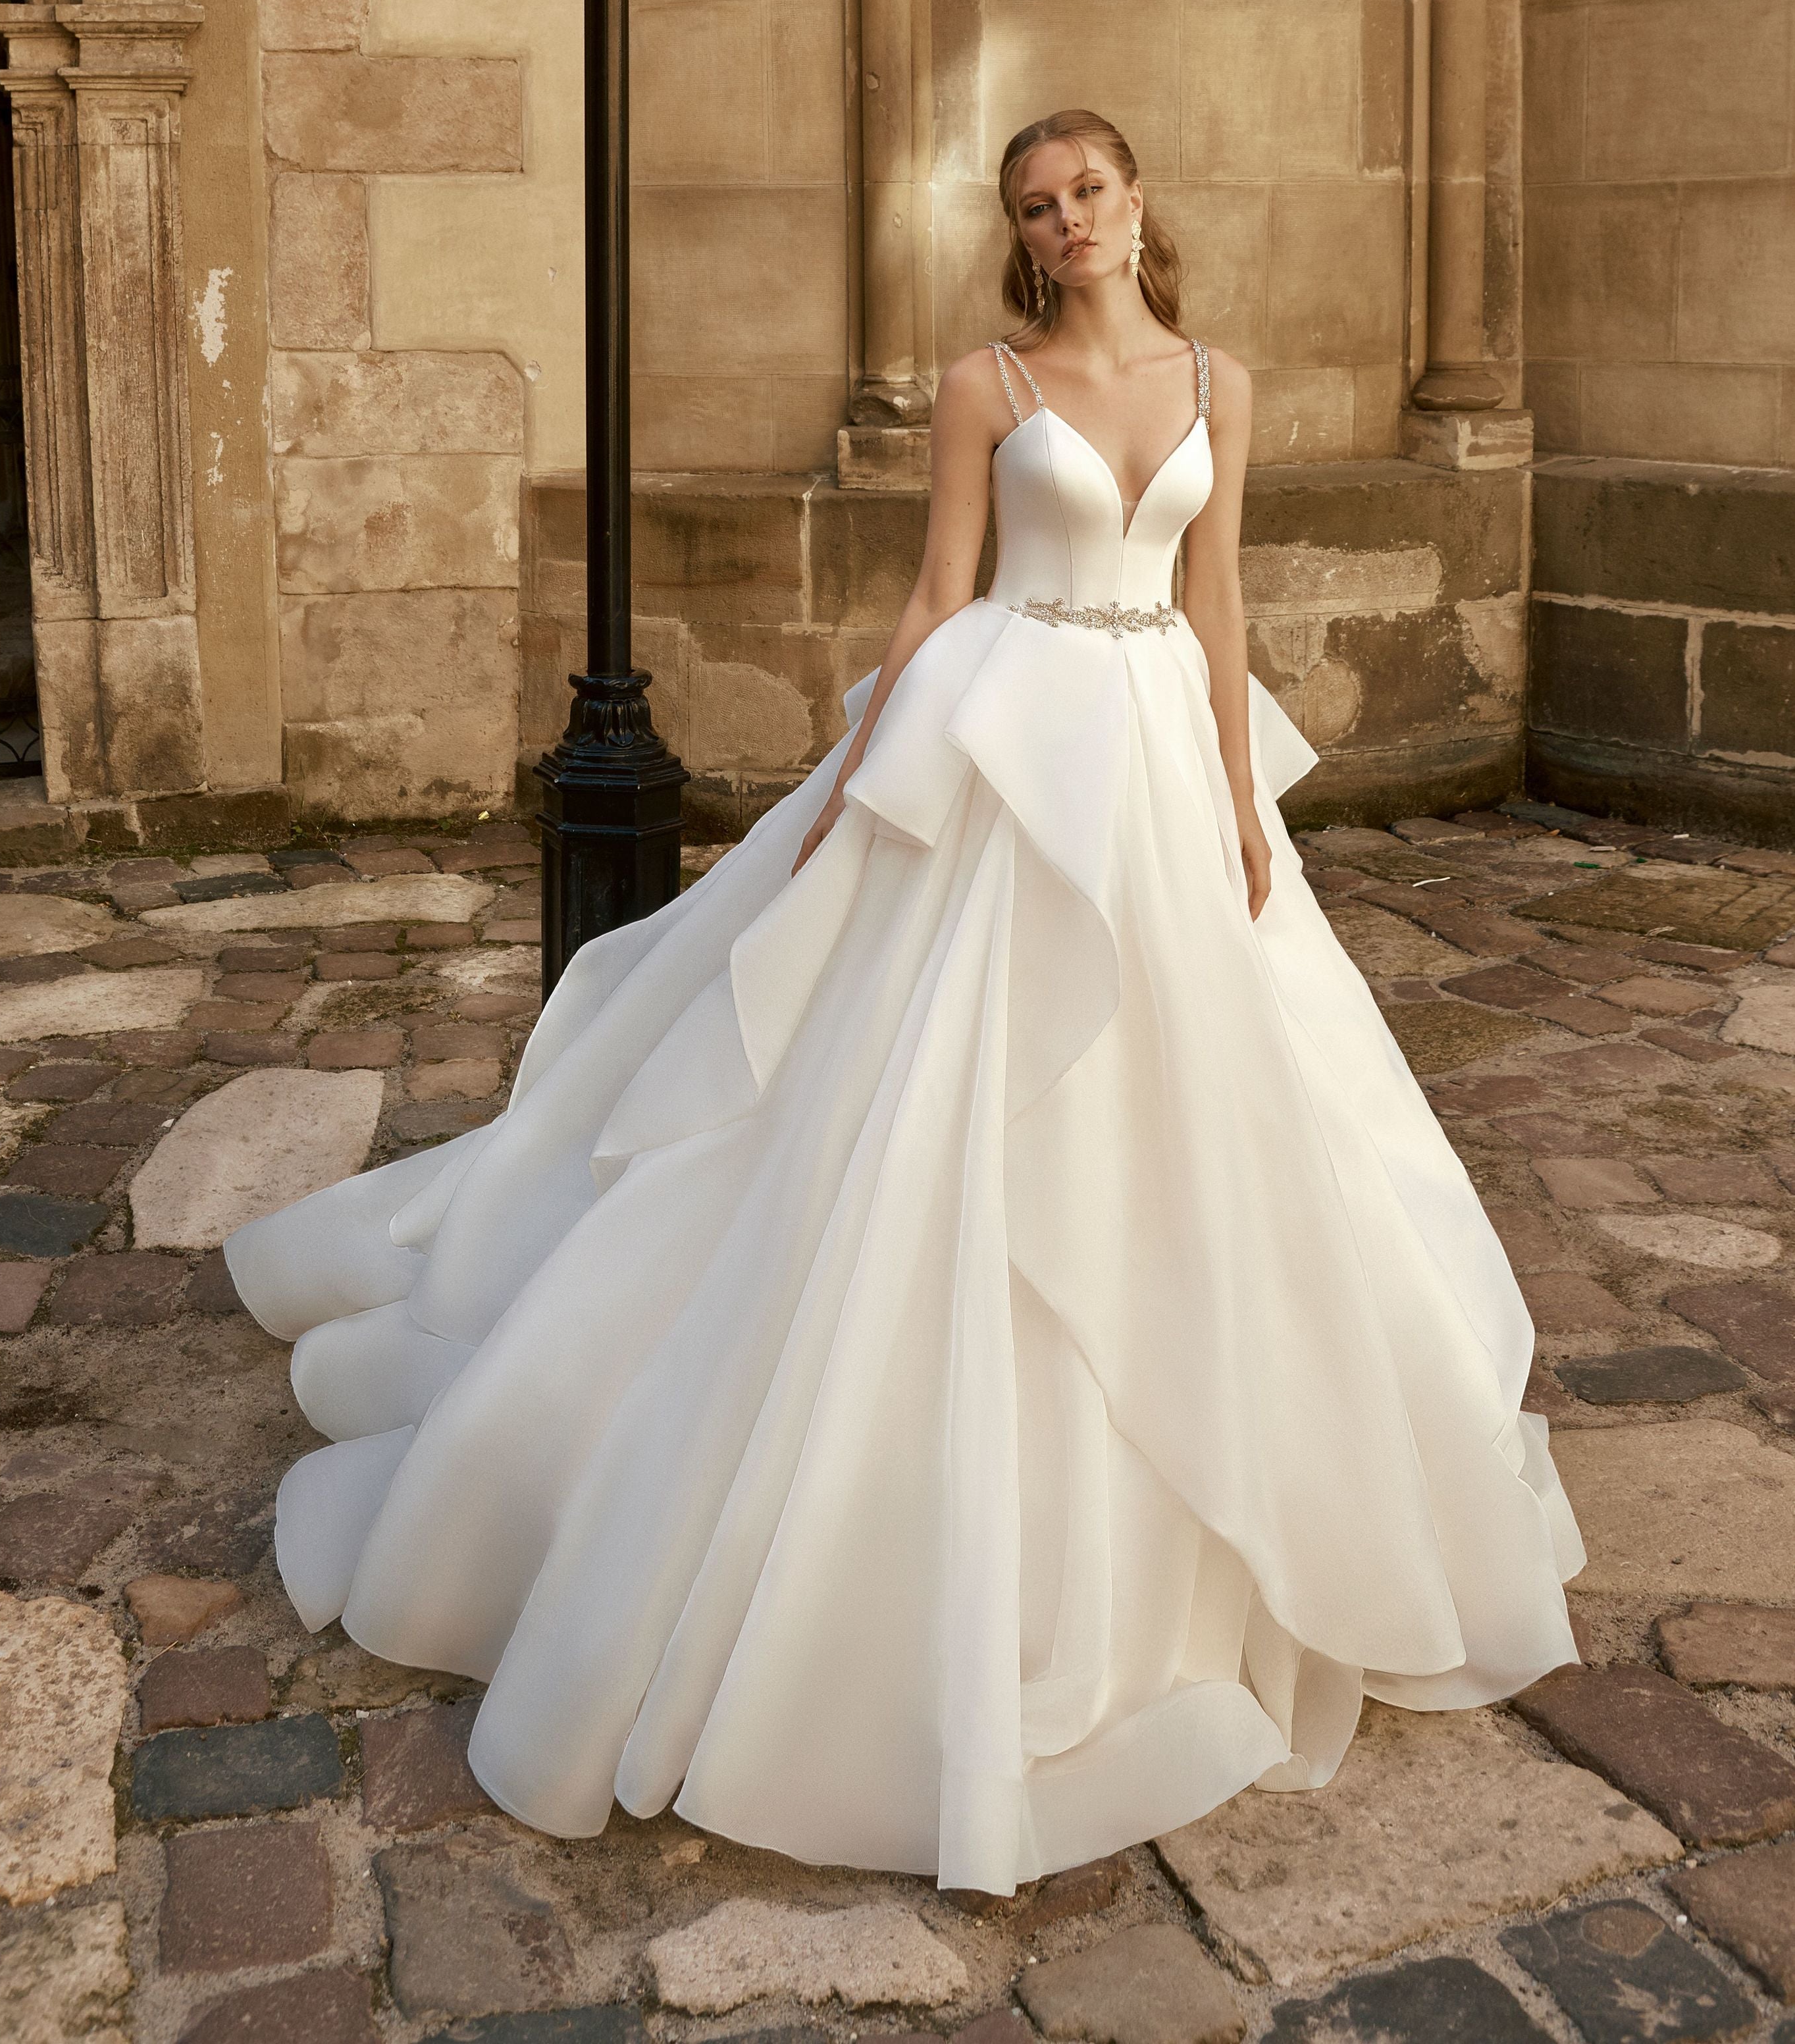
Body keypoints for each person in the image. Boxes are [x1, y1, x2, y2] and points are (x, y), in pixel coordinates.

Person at [226, 106, 1581, 1899]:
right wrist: (858, 781)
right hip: (1013, 747)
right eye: (1038, 205)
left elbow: (1219, 595)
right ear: (1021, 235)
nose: (1068, 220)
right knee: (930, 1100)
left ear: (1136, 200)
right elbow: (943, 592)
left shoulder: (1220, 386)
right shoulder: (985, 390)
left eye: (1088, 191)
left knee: (1203, 1105)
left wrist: (1244, 798)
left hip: (1157, 764)